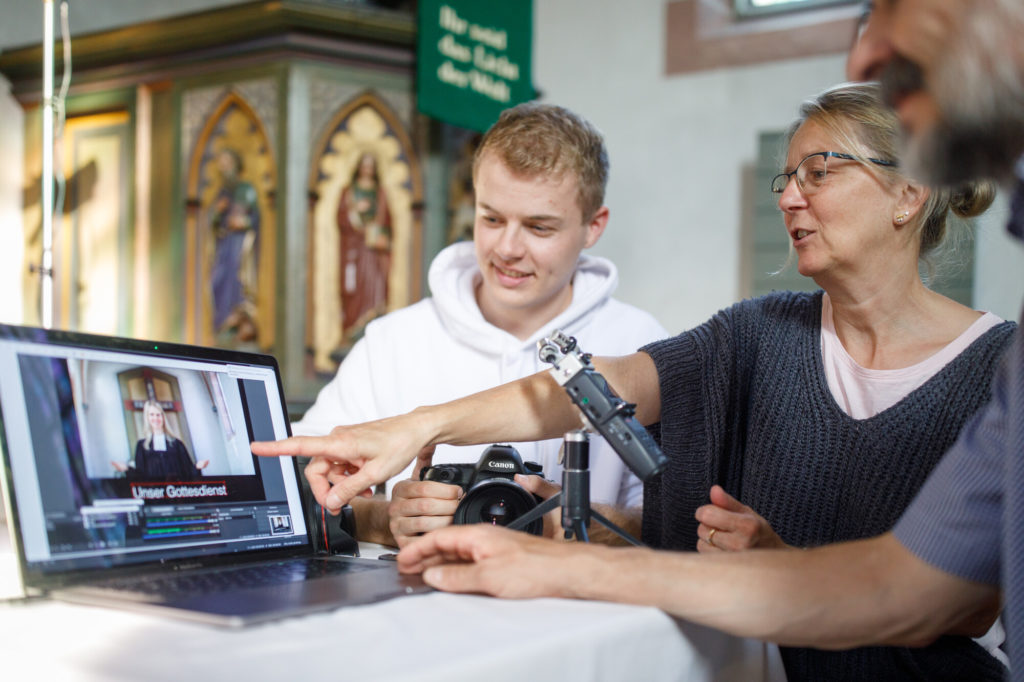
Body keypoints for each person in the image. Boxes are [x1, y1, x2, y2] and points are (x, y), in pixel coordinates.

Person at [258, 0, 1024, 679]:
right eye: (785, 176)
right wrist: (414, 430)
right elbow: (593, 388)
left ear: (909, 193)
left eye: (818, 171)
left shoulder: (996, 367)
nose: (789, 195)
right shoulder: (757, 334)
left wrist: (574, 547)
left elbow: (945, 599)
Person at [292, 102, 668, 547]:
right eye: (491, 218)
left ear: (593, 227)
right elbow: (300, 484)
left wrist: (572, 521)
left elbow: (677, 521)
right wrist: (388, 516)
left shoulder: (641, 346)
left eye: (539, 227)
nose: (507, 248)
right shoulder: (392, 342)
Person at [338, 152, 392, 340]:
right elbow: (341, 219)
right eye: (365, 165)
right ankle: (352, 331)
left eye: (371, 165)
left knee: (375, 288)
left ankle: (371, 327)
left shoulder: (380, 194)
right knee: (353, 291)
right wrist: (355, 210)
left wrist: (381, 236)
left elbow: (388, 224)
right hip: (354, 249)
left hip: (373, 251)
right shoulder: (349, 192)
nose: (368, 169)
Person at [209, 148, 260, 343]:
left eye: (226, 162)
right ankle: (223, 323)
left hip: (239, 246)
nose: (223, 167)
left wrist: (243, 222)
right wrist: (216, 212)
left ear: (235, 164)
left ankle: (239, 321)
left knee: (237, 280)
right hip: (224, 246)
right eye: (221, 163)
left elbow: (254, 218)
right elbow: (212, 222)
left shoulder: (245, 189)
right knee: (217, 281)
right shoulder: (222, 193)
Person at [118, 400, 208, 481]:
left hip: (176, 493)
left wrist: (197, 467)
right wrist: (127, 469)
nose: (156, 418)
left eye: (158, 415)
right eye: (152, 415)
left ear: (163, 417)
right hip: (156, 495)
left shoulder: (177, 444)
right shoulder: (142, 446)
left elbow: (188, 471)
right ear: (147, 419)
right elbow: (140, 475)